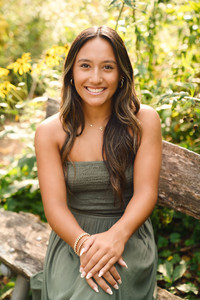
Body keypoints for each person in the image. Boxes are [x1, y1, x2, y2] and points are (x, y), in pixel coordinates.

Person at [31, 25, 162, 300]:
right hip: (73, 239)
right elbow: (54, 207)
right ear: (72, 73)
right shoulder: (50, 132)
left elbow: (146, 193)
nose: (95, 78)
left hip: (128, 234)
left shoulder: (144, 121)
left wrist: (116, 238)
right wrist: (85, 247)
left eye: (107, 67)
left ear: (121, 74)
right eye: (85, 66)